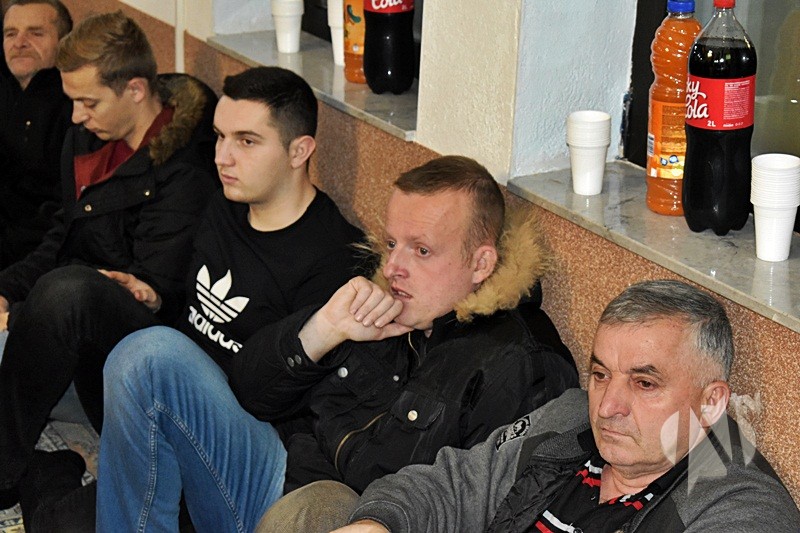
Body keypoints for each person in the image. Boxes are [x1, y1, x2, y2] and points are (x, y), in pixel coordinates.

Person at [96, 155, 579, 531]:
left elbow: (491, 508)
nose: (394, 267)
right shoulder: (377, 298)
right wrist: (323, 329)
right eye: (391, 244)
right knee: (149, 356)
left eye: (422, 250)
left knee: (321, 506)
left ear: (481, 264)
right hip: (274, 477)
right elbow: (247, 393)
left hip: (356, 519)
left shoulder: (516, 362)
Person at [20, 65, 367, 532]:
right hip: (171, 402)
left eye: (247, 141)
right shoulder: (225, 203)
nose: (223, 156)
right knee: (66, 303)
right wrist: (153, 296)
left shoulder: (334, 257)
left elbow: (293, 402)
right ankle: (44, 467)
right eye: (220, 137)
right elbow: (191, 311)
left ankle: (54, 471)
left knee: (67, 519)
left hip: (241, 447)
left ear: (299, 151)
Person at [336, 280, 800, 533]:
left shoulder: (743, 510)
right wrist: (379, 523)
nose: (609, 406)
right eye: (600, 374)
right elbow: (454, 485)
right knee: (324, 503)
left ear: (711, 402)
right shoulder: (566, 421)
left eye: (644, 383)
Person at [0, 10, 219, 511]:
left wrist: (32, 310)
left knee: (68, 291)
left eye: (88, 102)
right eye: (73, 101)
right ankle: (45, 464)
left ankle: (4, 470)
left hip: (139, 355)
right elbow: (62, 234)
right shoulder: (89, 137)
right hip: (66, 329)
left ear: (136, 90)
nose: (76, 116)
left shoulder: (187, 170)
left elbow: (159, 291)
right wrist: (7, 289)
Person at [0, 0, 73, 267]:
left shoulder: (78, 107)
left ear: (64, 42)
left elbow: (62, 209)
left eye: (36, 33)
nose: (19, 43)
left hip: (37, 256)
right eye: (11, 34)